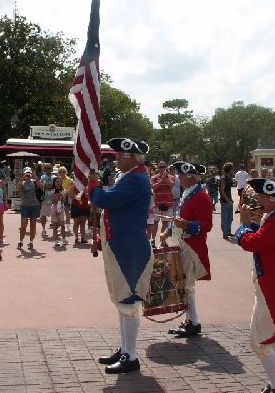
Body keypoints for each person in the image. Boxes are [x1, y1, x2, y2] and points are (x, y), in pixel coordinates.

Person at [90, 137, 154, 374]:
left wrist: (93, 184)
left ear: (131, 157)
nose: (117, 157)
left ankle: (131, 355)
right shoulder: (133, 177)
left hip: (128, 248)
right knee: (123, 301)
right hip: (123, 246)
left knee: (128, 301)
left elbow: (104, 199)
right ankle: (125, 348)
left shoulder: (136, 179)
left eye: (121, 154)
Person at [234, 178, 275, 393]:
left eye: (262, 197)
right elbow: (262, 235)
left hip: (274, 286)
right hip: (274, 284)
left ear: (274, 199)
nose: (258, 201)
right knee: (273, 340)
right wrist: (250, 225)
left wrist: (243, 226)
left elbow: (253, 242)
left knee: (259, 341)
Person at [160, 161, 213, 338]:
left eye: (181, 175)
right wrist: (168, 232)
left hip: (192, 246)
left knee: (187, 285)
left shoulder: (201, 196)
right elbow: (179, 217)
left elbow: (206, 225)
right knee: (183, 283)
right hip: (184, 243)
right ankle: (190, 320)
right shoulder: (189, 193)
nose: (178, 178)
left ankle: (194, 322)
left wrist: (189, 225)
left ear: (191, 176)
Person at [17, 167, 40, 250]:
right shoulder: (22, 183)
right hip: (25, 206)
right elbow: (18, 188)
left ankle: (31, 242)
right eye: (26, 173)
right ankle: (21, 241)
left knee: (33, 226)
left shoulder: (34, 182)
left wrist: (36, 177)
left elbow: (41, 187)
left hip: (34, 206)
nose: (28, 175)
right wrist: (22, 178)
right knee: (23, 226)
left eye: (29, 173)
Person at [151, 161, 174, 242]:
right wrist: (161, 180)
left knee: (166, 223)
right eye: (160, 167)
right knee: (155, 222)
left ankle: (162, 240)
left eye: (163, 167)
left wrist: (166, 178)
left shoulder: (171, 177)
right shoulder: (154, 177)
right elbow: (154, 188)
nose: (162, 168)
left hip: (168, 203)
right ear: (158, 167)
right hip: (157, 203)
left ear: (166, 167)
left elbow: (171, 185)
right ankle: (153, 239)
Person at [219, 162, 235, 239]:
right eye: (232, 169)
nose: (233, 170)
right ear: (229, 169)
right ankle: (225, 233)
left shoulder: (228, 177)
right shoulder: (223, 178)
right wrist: (228, 200)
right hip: (225, 201)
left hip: (229, 200)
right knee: (225, 218)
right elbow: (222, 190)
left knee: (230, 217)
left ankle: (228, 231)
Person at [51, 177, 67, 247]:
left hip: (61, 208)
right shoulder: (52, 191)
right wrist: (55, 197)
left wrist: (61, 195)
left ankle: (63, 239)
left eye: (59, 182)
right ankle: (56, 240)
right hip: (54, 209)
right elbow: (53, 201)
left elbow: (63, 201)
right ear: (54, 183)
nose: (58, 183)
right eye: (57, 181)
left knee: (62, 225)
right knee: (55, 225)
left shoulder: (63, 190)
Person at [39, 163, 54, 237]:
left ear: (51, 169)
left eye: (49, 168)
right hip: (45, 198)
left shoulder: (54, 177)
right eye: (46, 168)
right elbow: (44, 187)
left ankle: (55, 229)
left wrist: (49, 186)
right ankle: (43, 229)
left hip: (54, 198)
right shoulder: (42, 177)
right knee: (44, 215)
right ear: (44, 169)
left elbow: (55, 186)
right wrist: (51, 186)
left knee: (55, 215)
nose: (48, 170)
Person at [58, 166, 74, 234]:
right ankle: (60, 226)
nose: (62, 173)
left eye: (64, 171)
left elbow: (73, 188)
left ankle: (67, 227)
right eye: (60, 172)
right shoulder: (58, 179)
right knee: (59, 212)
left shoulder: (69, 180)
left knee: (67, 212)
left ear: (66, 172)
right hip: (59, 197)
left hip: (67, 197)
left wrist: (67, 192)